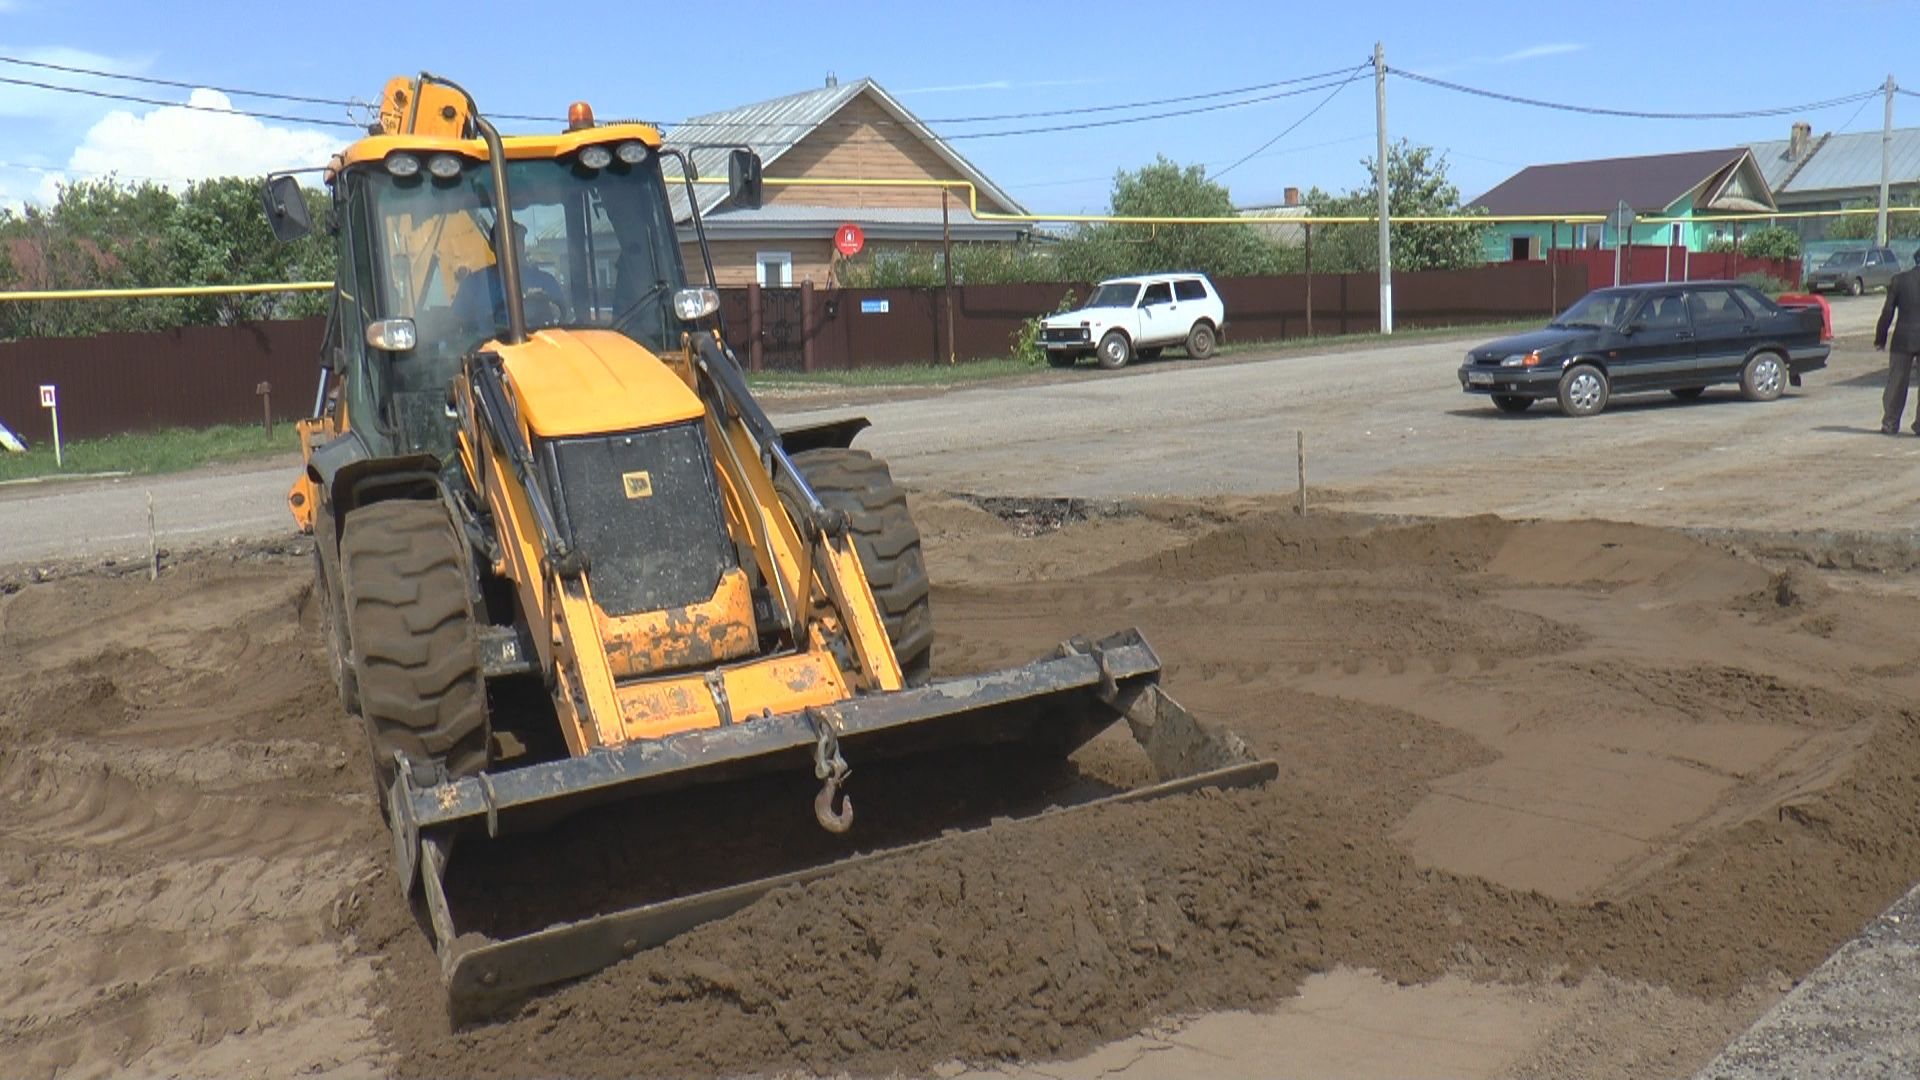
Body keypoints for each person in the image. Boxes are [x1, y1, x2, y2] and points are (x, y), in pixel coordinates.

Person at [453, 220, 568, 330]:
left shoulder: (546, 282)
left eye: (518, 240)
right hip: (486, 347)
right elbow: (457, 326)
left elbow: (564, 319)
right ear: (491, 245)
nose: (513, 246)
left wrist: (545, 308)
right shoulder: (472, 285)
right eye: (504, 240)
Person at [1875, 249, 1920, 434]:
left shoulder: (1899, 280)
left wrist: (1880, 338)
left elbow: (1887, 312)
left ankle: (1890, 423)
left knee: (1896, 382)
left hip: (1902, 339)